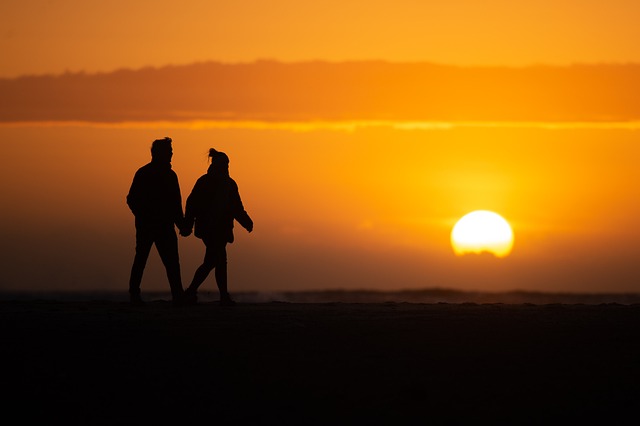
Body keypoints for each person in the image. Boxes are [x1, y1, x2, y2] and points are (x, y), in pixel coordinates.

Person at [181, 148, 253, 306]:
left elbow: (236, 207)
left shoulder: (230, 184)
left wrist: (246, 221)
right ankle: (213, 295)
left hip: (223, 229)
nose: (226, 167)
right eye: (224, 164)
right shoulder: (204, 182)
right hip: (208, 229)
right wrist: (188, 223)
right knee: (217, 260)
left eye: (227, 164)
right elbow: (192, 203)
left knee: (214, 261)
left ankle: (196, 292)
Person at [126, 137, 186, 306]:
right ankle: (135, 294)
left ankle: (177, 294)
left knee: (171, 262)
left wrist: (181, 224)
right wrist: (144, 215)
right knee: (143, 259)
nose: (171, 154)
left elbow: (176, 203)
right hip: (149, 225)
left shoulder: (169, 175)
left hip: (164, 225)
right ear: (157, 153)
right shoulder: (145, 173)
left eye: (171, 151)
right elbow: (132, 199)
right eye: (169, 151)